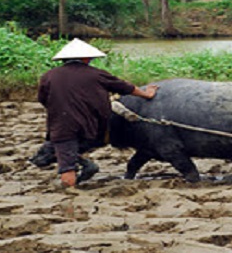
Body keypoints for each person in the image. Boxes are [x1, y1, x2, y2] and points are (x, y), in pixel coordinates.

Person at [33, 38, 158, 187]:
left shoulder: (49, 76)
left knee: (67, 162)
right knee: (70, 151)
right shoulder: (97, 74)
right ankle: (83, 168)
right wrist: (146, 94)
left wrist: (62, 108)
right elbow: (125, 87)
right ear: (86, 58)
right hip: (94, 127)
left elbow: (42, 99)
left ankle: (70, 193)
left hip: (63, 126)